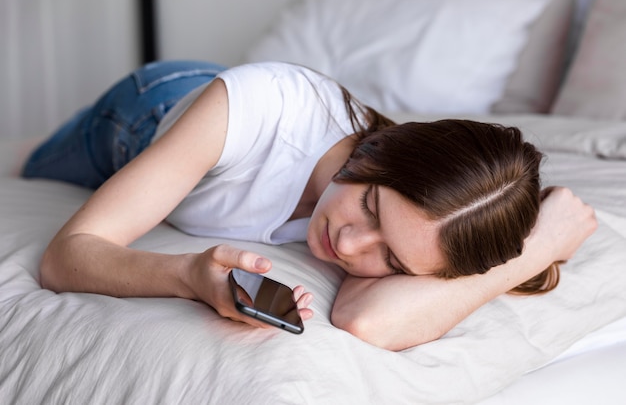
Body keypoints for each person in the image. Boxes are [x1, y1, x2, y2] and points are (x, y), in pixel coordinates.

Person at [22, 60, 597, 351]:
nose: (347, 246)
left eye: (392, 262)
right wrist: (187, 276)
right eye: (370, 207)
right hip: (148, 112)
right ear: (378, 151)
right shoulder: (259, 108)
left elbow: (365, 320)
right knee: (32, 168)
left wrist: (531, 253)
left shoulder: (421, 228)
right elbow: (64, 257)